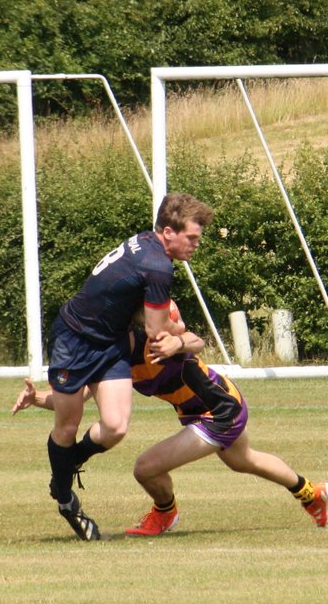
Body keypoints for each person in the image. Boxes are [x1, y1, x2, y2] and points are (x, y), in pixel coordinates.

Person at [15, 301, 328, 535]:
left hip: (219, 410)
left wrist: (179, 342)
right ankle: (310, 493)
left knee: (145, 468)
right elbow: (77, 397)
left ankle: (165, 514)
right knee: (244, 460)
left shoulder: (155, 342)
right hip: (206, 408)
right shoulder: (114, 359)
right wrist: (38, 398)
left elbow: (196, 341)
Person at [41, 192, 214, 541]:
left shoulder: (146, 243)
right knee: (67, 424)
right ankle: (65, 498)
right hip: (73, 342)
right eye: (192, 237)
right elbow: (154, 331)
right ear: (168, 232)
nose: (196, 244)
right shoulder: (158, 266)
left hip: (111, 343)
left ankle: (66, 464)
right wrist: (185, 338)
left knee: (116, 427)